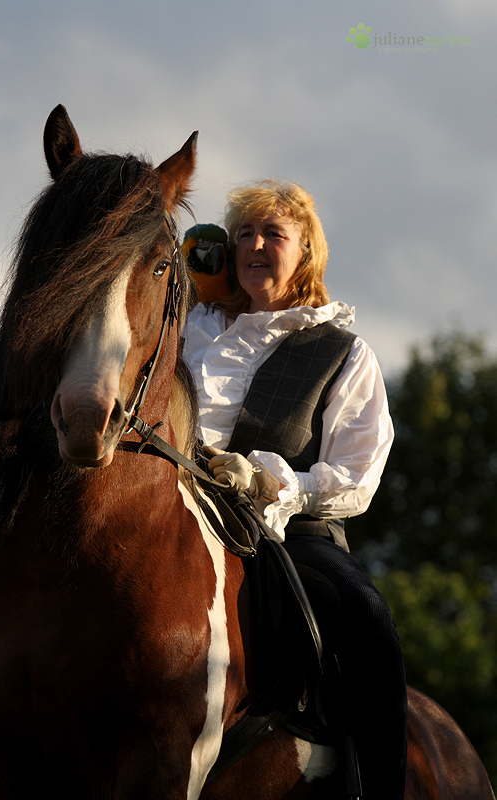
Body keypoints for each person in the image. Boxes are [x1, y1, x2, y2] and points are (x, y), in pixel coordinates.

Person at [182, 180, 407, 800]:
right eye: (244, 234)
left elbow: (356, 476)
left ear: (305, 251)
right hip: (168, 509)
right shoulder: (187, 325)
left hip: (288, 532)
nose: (255, 245)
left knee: (366, 614)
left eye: (273, 234)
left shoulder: (342, 351)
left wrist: (273, 482)